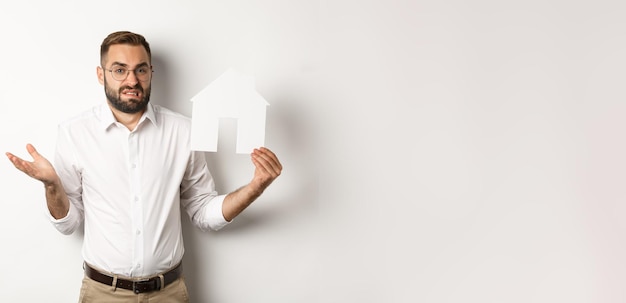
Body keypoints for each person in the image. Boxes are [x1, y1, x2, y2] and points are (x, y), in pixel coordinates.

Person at [5, 31, 282, 303]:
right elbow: (69, 225)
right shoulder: (74, 133)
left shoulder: (184, 131)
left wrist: (255, 187)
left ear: (151, 72)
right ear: (101, 74)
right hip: (103, 294)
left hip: (169, 293)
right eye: (119, 70)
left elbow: (202, 211)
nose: (132, 80)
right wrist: (52, 185)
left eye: (140, 70)